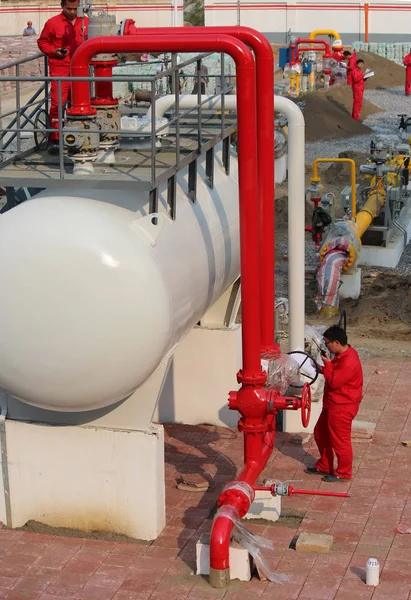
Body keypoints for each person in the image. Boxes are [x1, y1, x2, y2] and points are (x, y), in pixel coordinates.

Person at [305, 325, 363, 482]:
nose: (326, 346)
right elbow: (335, 375)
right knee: (320, 433)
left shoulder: (349, 361)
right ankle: (325, 465)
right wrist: (321, 368)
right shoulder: (342, 355)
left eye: (327, 343)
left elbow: (335, 381)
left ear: (336, 343)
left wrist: (328, 365)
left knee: (340, 441)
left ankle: (344, 472)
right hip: (332, 404)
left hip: (342, 407)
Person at [37, 0, 87, 153]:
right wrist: (54, 51)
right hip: (60, 69)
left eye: (75, 8)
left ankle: (79, 135)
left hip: (81, 69)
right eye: (69, 8)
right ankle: (56, 139)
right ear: (62, 6)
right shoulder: (52, 23)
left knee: (80, 103)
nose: (72, 12)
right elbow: (42, 42)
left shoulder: (86, 22)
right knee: (58, 104)